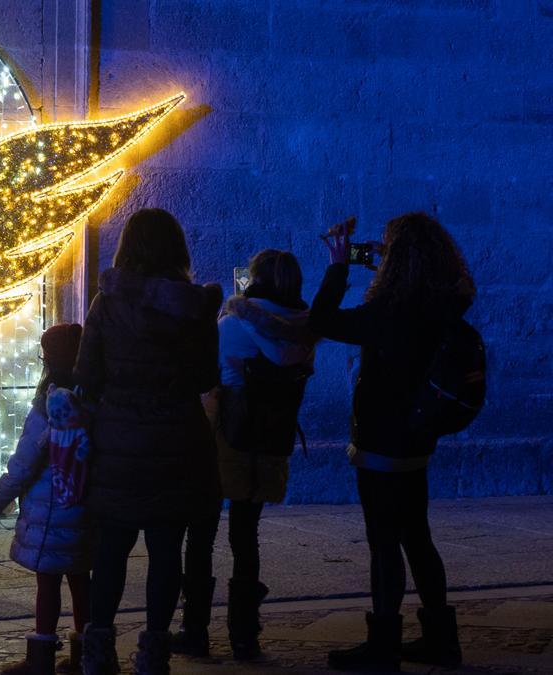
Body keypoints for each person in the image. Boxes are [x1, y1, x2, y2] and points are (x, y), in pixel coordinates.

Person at [313, 214, 475, 671]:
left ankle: (383, 643)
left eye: (387, 248)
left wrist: (340, 265)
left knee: (383, 543)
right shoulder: (444, 304)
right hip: (418, 439)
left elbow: (323, 320)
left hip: (381, 443)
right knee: (417, 538)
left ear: (396, 261)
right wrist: (396, 258)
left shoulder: (386, 314)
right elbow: (461, 283)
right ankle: (442, 640)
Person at [74, 208, 222, 675]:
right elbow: (205, 378)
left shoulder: (106, 303)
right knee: (165, 553)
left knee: (111, 552)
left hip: (117, 444)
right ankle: (154, 652)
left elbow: (86, 375)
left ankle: (98, 650)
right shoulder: (195, 307)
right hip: (177, 443)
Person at [194, 250, 315, 660]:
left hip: (227, 433)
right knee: (247, 536)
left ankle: (195, 628)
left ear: (255, 279)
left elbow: (208, 372)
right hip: (270, 438)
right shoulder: (305, 330)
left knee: (203, 531)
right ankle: (245, 634)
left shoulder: (232, 323)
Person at [0, 323, 93, 675]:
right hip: (85, 505)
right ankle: (86, 654)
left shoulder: (49, 404)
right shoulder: (94, 396)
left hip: (51, 511)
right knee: (81, 581)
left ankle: (40, 657)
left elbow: (25, 462)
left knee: (48, 583)